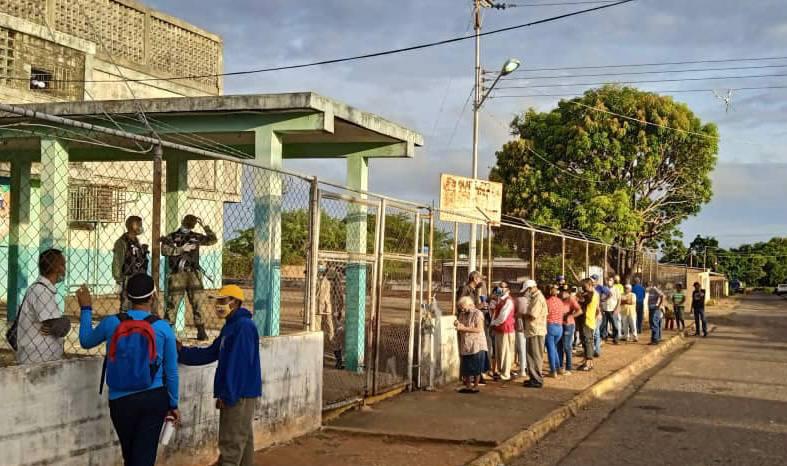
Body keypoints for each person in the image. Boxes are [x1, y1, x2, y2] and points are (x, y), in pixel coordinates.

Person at [78, 274, 179, 466]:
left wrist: (86, 309)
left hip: (120, 399)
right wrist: (173, 404)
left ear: (127, 295)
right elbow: (171, 371)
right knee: (144, 456)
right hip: (153, 397)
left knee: (130, 455)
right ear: (153, 297)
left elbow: (85, 341)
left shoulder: (111, 323)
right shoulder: (163, 328)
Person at [179, 285, 262, 466]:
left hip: (239, 393)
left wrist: (227, 394)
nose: (218, 305)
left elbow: (239, 366)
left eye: (223, 301)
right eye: (218, 301)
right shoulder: (231, 327)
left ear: (236, 303)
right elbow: (210, 353)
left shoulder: (243, 327)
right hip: (240, 392)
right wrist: (182, 352)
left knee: (231, 445)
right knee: (243, 439)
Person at [161, 214, 218, 340]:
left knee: (198, 303)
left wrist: (205, 226)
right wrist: (181, 249)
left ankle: (201, 330)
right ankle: (167, 332)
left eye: (194, 221)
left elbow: (213, 240)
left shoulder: (196, 236)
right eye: (189, 220)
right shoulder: (172, 236)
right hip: (177, 274)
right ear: (183, 221)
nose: (192, 223)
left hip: (193, 273)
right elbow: (164, 250)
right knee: (173, 304)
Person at [16, 248, 71, 364]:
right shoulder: (41, 291)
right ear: (56, 268)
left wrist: (60, 323)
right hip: (37, 359)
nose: (64, 269)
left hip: (42, 358)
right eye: (63, 265)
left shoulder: (42, 289)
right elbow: (58, 327)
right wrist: (65, 322)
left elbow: (54, 325)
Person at [112, 216, 149, 311]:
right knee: (126, 305)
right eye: (139, 224)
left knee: (137, 303)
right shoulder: (122, 242)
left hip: (138, 276)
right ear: (133, 225)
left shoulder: (136, 241)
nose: (141, 227)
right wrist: (119, 280)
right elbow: (117, 261)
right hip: (127, 278)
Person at [455, 296, 488, 393]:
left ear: (470, 304)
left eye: (463, 306)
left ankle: (476, 386)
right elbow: (460, 324)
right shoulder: (463, 314)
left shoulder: (477, 313)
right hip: (466, 344)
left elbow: (479, 329)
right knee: (466, 366)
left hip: (476, 344)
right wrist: (457, 324)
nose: (462, 309)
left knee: (476, 366)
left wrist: (463, 328)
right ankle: (468, 386)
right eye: (460, 307)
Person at [521, 280, 547, 388]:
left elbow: (533, 315)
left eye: (527, 290)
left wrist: (522, 315)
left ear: (530, 288)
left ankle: (537, 379)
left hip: (536, 330)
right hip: (533, 330)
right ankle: (533, 377)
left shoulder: (538, 298)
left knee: (535, 355)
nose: (526, 293)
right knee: (531, 355)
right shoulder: (535, 297)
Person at [317, 263, 343, 369]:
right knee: (314, 334)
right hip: (315, 309)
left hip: (329, 309)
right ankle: (317, 360)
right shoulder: (312, 273)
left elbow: (339, 292)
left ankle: (338, 360)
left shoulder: (333, 275)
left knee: (332, 334)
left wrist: (340, 308)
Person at [489, 281, 515, 381]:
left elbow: (502, 317)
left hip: (505, 329)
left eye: (503, 287)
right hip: (500, 329)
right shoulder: (500, 300)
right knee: (500, 352)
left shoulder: (508, 301)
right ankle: (502, 372)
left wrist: (493, 323)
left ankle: (505, 374)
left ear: (508, 289)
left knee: (505, 352)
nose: (500, 289)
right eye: (500, 287)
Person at [545, 285, 567, 378]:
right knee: (554, 348)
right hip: (560, 327)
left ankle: (553, 370)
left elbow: (545, 314)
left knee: (551, 349)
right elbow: (563, 312)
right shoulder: (560, 302)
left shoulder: (547, 302)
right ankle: (558, 368)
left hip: (550, 326)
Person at [576, 278, 599, 371]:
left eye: (584, 286)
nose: (583, 288)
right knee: (586, 342)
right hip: (588, 320)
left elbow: (581, 302)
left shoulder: (590, 295)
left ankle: (588, 364)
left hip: (587, 321)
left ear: (590, 285)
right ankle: (587, 362)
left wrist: (578, 297)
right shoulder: (594, 294)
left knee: (588, 342)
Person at [558, 287, 581, 375]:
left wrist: (570, 316)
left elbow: (579, 311)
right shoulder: (559, 298)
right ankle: (560, 366)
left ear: (568, 292)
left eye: (565, 291)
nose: (563, 293)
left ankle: (569, 367)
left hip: (568, 324)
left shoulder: (571, 299)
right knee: (559, 345)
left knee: (567, 346)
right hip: (560, 324)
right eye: (561, 291)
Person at [514, 286, 530, 378]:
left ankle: (522, 369)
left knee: (521, 349)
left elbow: (514, 313)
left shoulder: (518, 300)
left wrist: (518, 314)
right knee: (528, 349)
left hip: (520, 327)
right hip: (530, 328)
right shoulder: (532, 300)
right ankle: (527, 367)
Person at [601, 276, 621, 344]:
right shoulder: (604, 289)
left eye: (610, 280)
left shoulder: (616, 289)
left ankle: (616, 339)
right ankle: (604, 337)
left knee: (615, 325)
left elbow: (619, 300)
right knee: (604, 325)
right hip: (605, 309)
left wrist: (617, 309)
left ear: (613, 281)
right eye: (608, 280)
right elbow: (601, 299)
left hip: (613, 309)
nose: (609, 282)